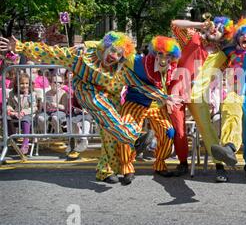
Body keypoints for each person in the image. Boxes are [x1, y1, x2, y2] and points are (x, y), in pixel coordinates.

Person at [0, 32, 179, 184]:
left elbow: (139, 85)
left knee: (111, 133)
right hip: (88, 91)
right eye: (113, 51)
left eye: (119, 54)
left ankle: (106, 170)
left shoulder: (120, 68)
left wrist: (164, 97)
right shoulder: (81, 57)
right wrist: (21, 46)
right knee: (108, 114)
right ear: (105, 46)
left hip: (111, 96)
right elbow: (51, 52)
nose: (115, 57)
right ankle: (133, 136)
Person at [170, 16, 235, 182]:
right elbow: (175, 24)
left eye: (220, 29)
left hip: (198, 96)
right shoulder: (193, 37)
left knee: (207, 128)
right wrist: (200, 25)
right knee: (179, 129)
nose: (215, 29)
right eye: (214, 26)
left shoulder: (223, 56)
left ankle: (220, 167)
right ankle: (183, 163)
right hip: (177, 91)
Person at [116, 36, 181, 184]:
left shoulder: (173, 68)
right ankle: (127, 168)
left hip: (156, 105)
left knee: (168, 132)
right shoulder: (139, 62)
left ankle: (159, 164)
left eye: (168, 55)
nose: (164, 59)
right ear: (154, 53)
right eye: (160, 54)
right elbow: (122, 54)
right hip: (135, 103)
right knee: (126, 130)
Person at [211, 18, 246, 182]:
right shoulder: (229, 51)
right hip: (233, 92)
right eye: (242, 34)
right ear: (237, 37)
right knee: (230, 114)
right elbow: (215, 44)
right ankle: (229, 147)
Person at [6, 73, 38, 155]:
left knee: (25, 119)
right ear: (17, 84)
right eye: (22, 83)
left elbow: (34, 107)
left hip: (28, 115)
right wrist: (11, 111)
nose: (24, 85)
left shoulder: (32, 94)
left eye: (26, 83)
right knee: (7, 118)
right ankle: (12, 140)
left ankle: (25, 143)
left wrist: (23, 112)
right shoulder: (12, 93)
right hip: (16, 114)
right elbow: (9, 104)